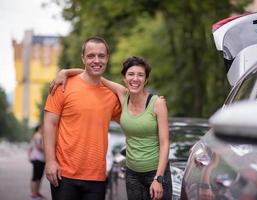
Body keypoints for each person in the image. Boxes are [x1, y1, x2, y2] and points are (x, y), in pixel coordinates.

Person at [50, 56, 172, 200]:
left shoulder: (157, 103)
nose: (135, 79)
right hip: (132, 174)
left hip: (155, 173)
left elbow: (165, 143)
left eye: (140, 75)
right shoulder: (122, 95)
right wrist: (66, 72)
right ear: (124, 78)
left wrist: (158, 178)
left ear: (146, 80)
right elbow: (93, 74)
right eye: (131, 74)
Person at [43, 36, 121, 200]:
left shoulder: (111, 96)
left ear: (107, 58)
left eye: (101, 56)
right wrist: (50, 161)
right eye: (91, 56)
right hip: (64, 175)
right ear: (83, 58)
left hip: (97, 178)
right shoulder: (62, 86)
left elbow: (131, 116)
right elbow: (49, 124)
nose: (96, 60)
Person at [28, 124, 46, 200]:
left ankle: (37, 193)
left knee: (39, 177)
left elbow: (30, 148)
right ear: (40, 128)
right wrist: (48, 148)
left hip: (41, 159)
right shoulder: (38, 136)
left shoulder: (39, 135)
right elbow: (39, 147)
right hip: (37, 159)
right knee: (35, 177)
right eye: (43, 127)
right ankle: (33, 194)